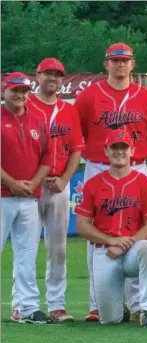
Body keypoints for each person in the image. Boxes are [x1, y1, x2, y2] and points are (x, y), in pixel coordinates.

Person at [74, 42, 147, 321]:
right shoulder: (89, 95)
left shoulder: (145, 96)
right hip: (98, 165)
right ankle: (96, 303)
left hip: (135, 165)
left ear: (132, 64)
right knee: (95, 237)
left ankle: (138, 305)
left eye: (124, 60)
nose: (120, 65)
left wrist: (132, 157)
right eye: (115, 60)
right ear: (106, 64)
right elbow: (78, 133)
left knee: (141, 236)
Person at [14, 58, 84, 323]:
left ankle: (57, 304)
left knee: (58, 247)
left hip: (58, 185)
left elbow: (77, 148)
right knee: (26, 247)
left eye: (57, 74)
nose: (53, 78)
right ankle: (21, 303)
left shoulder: (69, 110)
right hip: (30, 187)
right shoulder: (25, 105)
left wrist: (66, 179)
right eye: (48, 74)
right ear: (37, 76)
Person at [75, 130, 147, 327]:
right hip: (105, 252)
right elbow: (81, 226)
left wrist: (124, 244)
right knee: (110, 320)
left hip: (132, 250)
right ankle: (119, 308)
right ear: (106, 150)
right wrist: (110, 241)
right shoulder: (93, 184)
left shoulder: (144, 183)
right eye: (115, 147)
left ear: (132, 150)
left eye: (124, 147)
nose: (119, 152)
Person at [1, 72, 55, 324]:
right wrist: (11, 183)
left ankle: (27, 308)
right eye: (15, 90)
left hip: (30, 197)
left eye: (23, 91)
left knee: (27, 255)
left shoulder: (38, 120)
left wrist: (32, 184)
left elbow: (47, 158)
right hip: (2, 195)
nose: (20, 95)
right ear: (5, 91)